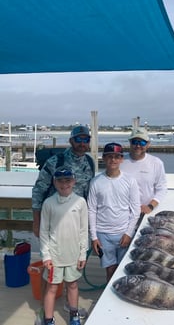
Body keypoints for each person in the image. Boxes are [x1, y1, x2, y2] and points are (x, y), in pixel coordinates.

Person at [32, 125, 94, 323]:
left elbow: (88, 194)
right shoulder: (55, 161)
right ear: (71, 141)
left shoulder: (90, 163)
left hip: (75, 223)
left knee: (72, 277)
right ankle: (44, 312)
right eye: (79, 139)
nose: (82, 143)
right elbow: (38, 191)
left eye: (86, 140)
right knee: (49, 276)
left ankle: (70, 306)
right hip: (53, 220)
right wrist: (36, 220)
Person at [40, 167, 88, 325]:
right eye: (60, 181)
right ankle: (48, 319)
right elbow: (43, 232)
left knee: (72, 285)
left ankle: (74, 315)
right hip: (54, 257)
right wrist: (46, 256)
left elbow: (83, 231)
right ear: (54, 182)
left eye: (68, 180)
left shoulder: (80, 202)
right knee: (52, 288)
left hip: (73, 255)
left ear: (74, 181)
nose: (64, 184)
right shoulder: (48, 203)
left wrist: (82, 254)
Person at [87, 142, 141, 282]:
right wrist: (94, 237)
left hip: (123, 233)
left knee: (125, 269)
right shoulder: (95, 182)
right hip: (103, 234)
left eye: (117, 157)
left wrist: (129, 233)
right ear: (104, 158)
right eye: (109, 156)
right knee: (110, 269)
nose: (113, 160)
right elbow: (91, 210)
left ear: (122, 159)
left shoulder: (130, 181)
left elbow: (135, 210)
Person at [120, 127, 167, 219]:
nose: (138, 146)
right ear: (130, 143)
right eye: (135, 142)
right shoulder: (120, 161)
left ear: (148, 144)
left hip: (145, 213)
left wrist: (150, 206)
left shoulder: (156, 163)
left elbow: (162, 189)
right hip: (123, 213)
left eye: (142, 142)